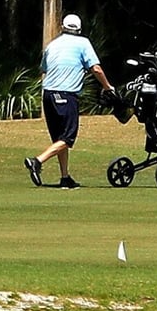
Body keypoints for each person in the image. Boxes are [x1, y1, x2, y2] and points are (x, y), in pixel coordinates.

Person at [24, 13, 115, 189]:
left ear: (63, 27)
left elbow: (43, 68)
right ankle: (37, 161)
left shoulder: (53, 44)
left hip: (48, 94)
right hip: (66, 94)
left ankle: (65, 177)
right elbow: (95, 68)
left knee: (60, 138)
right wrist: (107, 86)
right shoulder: (83, 43)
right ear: (79, 29)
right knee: (67, 137)